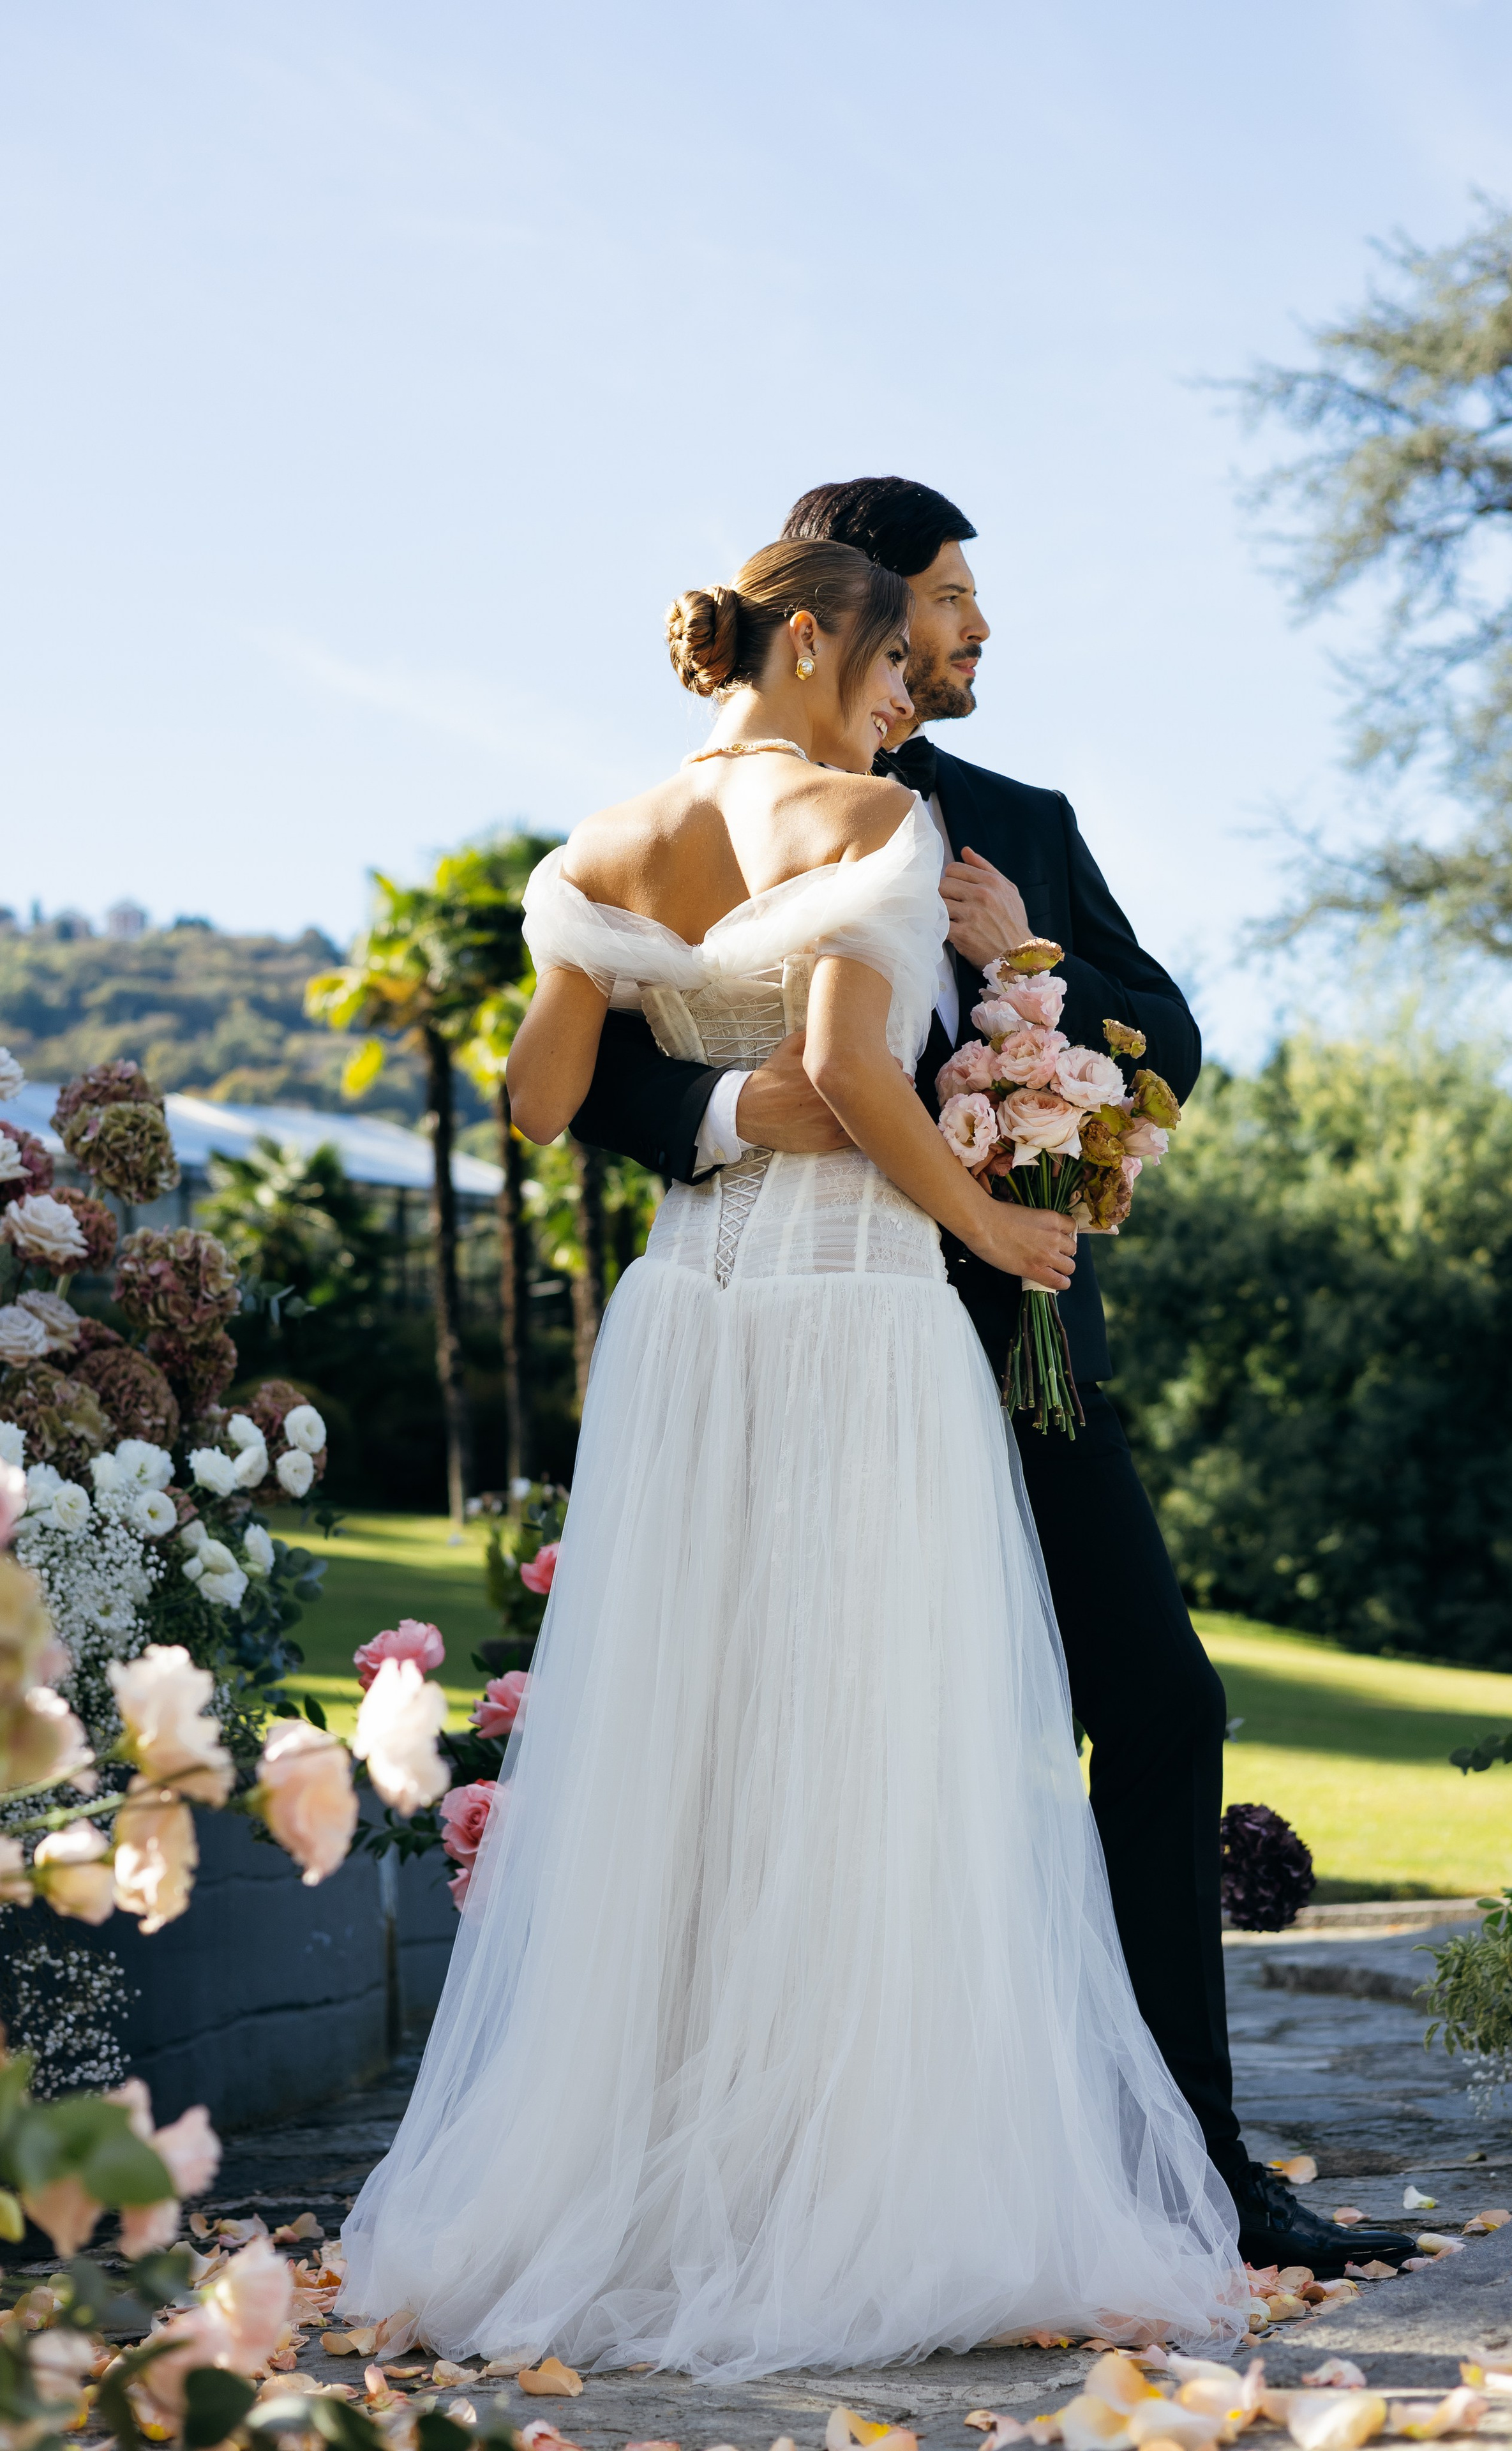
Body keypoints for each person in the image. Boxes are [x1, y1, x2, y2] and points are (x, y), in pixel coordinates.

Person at [340, 538, 1247, 2373]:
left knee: (695, 1726)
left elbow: (539, 1098)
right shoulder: (869, 820)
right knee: (871, 1728)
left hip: (684, 1321)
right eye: (894, 666)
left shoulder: (605, 843)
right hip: (853, 1309)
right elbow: (847, 1070)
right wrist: (992, 1227)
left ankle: (661, 2184)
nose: (905, 703)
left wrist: (697, 1076)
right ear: (821, 639)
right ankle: (851, 2189)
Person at [573, 477, 1416, 2282]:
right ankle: (763, 2173)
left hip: (1022, 1352)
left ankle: (1195, 2172)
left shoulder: (1017, 820)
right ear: (861, 610)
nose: (969, 636)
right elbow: (608, 1074)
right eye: (948, 602)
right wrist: (731, 1112)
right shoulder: (707, 815)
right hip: (800, 1349)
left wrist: (1022, 949)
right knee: (788, 1746)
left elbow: (1168, 1037)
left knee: (1161, 1705)